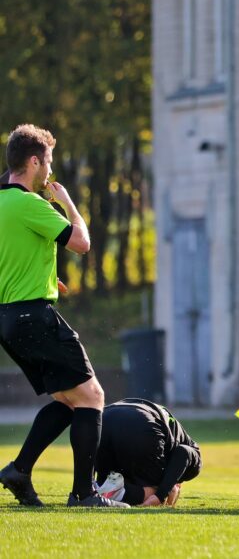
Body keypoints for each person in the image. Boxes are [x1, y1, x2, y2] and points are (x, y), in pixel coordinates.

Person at [0, 124, 127, 508]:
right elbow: (81, 243)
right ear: (34, 162)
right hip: (34, 316)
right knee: (93, 396)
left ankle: (19, 471)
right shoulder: (31, 204)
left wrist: (39, 276)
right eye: (49, 162)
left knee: (72, 400)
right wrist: (68, 203)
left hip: (9, 321)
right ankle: (84, 494)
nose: (51, 171)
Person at [94, 399, 201, 507]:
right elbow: (183, 452)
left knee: (107, 481)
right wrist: (162, 494)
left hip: (103, 417)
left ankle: (96, 490)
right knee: (157, 486)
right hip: (141, 424)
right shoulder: (194, 457)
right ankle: (120, 494)